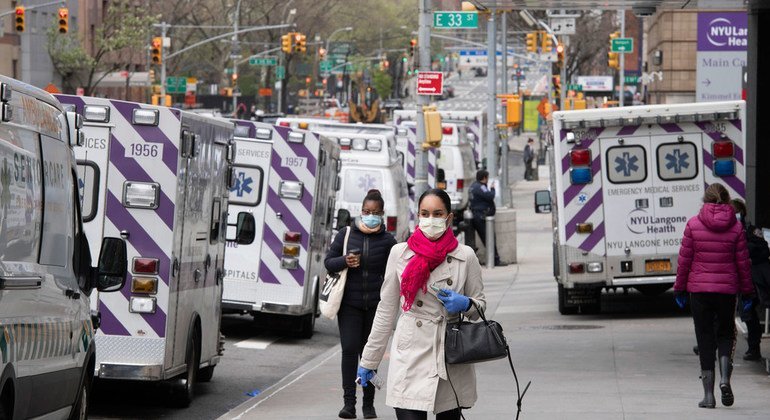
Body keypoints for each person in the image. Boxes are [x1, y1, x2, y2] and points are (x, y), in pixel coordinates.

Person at [356, 188, 486, 420]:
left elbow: (480, 308)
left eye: (437, 214)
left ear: (449, 218)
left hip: (448, 355)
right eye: (425, 214)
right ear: (418, 216)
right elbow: (386, 310)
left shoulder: (465, 256)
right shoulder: (400, 253)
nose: (430, 220)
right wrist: (369, 360)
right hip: (410, 354)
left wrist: (466, 304)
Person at [673, 183, 754, 409]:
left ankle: (708, 396)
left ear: (705, 200)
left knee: (705, 338)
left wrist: (679, 288)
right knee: (725, 335)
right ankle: (725, 379)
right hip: (726, 292)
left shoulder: (693, 224)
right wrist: (747, 292)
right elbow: (743, 265)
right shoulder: (736, 228)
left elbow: (685, 262)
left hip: (699, 292)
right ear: (727, 201)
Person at [324, 189, 397, 419]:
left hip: (375, 305)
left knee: (370, 354)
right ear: (361, 211)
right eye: (366, 211)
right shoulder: (346, 234)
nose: (370, 215)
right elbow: (329, 263)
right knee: (348, 350)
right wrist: (344, 261)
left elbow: (394, 272)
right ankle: (349, 404)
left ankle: (368, 404)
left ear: (382, 214)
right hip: (350, 305)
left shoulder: (388, 241)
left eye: (375, 212)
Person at [730, 198, 770, 361]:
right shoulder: (729, 231)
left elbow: (763, 250)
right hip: (741, 280)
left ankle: (754, 349)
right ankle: (753, 348)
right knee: (746, 314)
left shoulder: (751, 230)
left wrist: (745, 249)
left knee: (749, 313)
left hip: (756, 280)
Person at [469, 170, 505, 266]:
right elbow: (490, 196)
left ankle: (493, 259)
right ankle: (495, 260)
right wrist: (493, 188)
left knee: (486, 238)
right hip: (481, 217)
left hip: (478, 216)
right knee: (489, 238)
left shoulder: (473, 186)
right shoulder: (480, 187)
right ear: (484, 178)